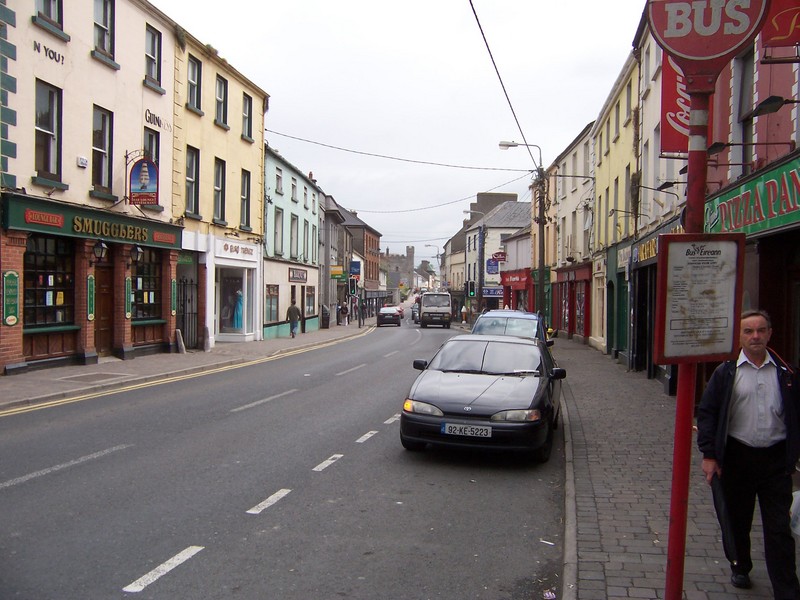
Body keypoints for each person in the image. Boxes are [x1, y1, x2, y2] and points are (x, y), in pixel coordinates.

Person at [696, 309, 800, 598]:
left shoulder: (787, 373)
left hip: (776, 461)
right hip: (737, 458)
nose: (755, 336)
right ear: (739, 336)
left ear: (769, 334)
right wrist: (709, 455)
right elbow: (707, 414)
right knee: (738, 520)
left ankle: (787, 588)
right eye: (748, 331)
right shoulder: (726, 373)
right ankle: (740, 566)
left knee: (779, 529)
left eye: (761, 330)